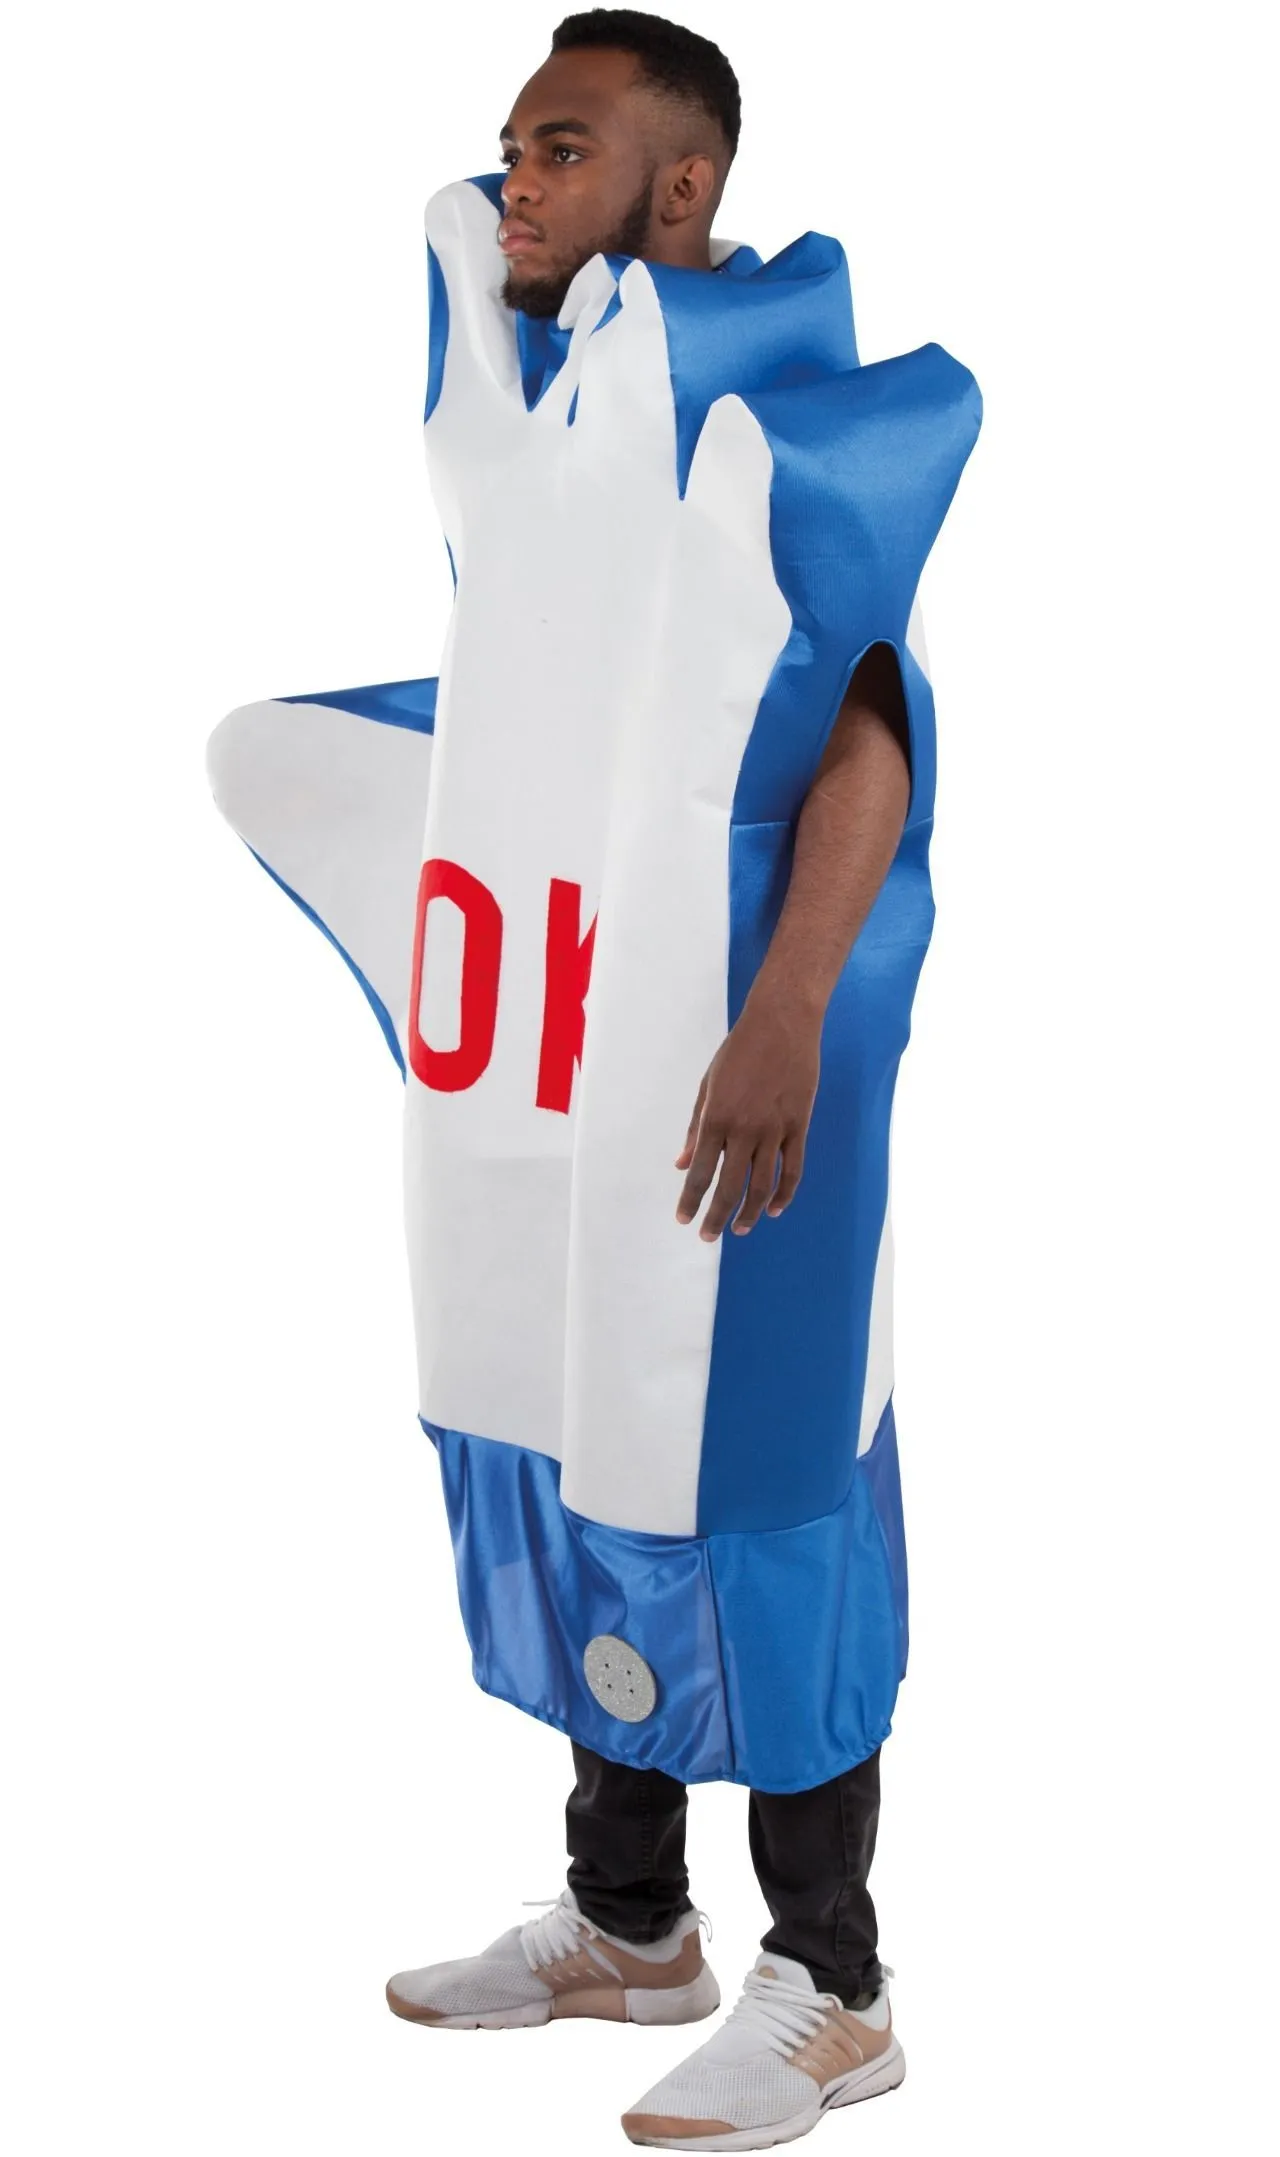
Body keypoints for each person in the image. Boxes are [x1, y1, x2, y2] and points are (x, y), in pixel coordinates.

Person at [208, 9, 980, 2148]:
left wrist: (787, 1010)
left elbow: (867, 726)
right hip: (550, 1040)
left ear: (684, 184)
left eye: (562, 148)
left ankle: (834, 1982)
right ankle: (630, 1920)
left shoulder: (763, 417)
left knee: (756, 1466)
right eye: (509, 148)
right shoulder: (546, 415)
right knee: (571, 1425)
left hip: (729, 1047)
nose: (516, 183)